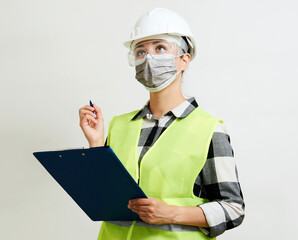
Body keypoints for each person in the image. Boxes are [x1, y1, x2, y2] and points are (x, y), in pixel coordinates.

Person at [79, 8, 245, 240]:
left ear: (184, 60)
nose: (148, 58)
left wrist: (172, 214)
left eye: (160, 48)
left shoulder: (209, 129)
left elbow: (233, 208)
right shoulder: (119, 125)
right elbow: (100, 198)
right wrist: (95, 143)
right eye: (140, 51)